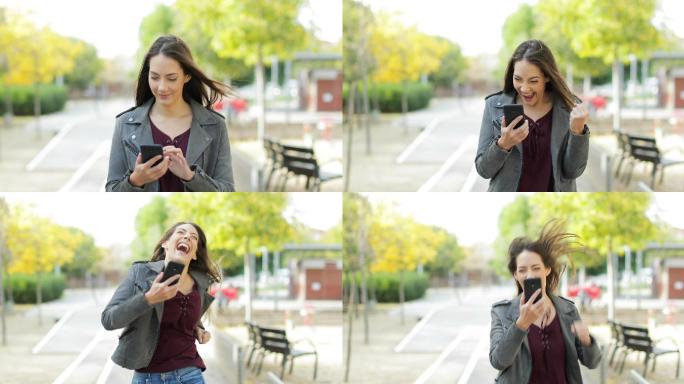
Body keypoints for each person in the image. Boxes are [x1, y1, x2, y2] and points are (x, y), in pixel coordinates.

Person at [106, 35, 235, 192]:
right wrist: (136, 180)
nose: (162, 87)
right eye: (154, 77)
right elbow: (111, 190)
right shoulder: (125, 124)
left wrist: (190, 176)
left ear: (186, 76)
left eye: (171, 78)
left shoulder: (215, 125)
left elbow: (227, 190)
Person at [101, 222, 221, 384]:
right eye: (181, 232)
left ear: (194, 255)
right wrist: (148, 299)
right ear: (165, 244)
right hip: (148, 377)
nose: (187, 237)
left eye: (194, 237)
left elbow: (184, 315)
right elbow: (109, 319)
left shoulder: (201, 284)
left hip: (190, 373)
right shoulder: (140, 273)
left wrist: (198, 329)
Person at [489, 221, 601, 383]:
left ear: (547, 269)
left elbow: (592, 362)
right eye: (522, 270)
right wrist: (521, 324)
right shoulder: (501, 312)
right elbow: (498, 361)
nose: (529, 275)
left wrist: (587, 341)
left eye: (536, 268)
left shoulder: (568, 310)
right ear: (515, 274)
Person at [475, 40, 590, 191]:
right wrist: (503, 144)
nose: (524, 88)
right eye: (517, 79)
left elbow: (573, 171)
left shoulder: (570, 108)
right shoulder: (494, 106)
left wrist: (577, 131)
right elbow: (484, 170)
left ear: (547, 77)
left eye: (533, 81)